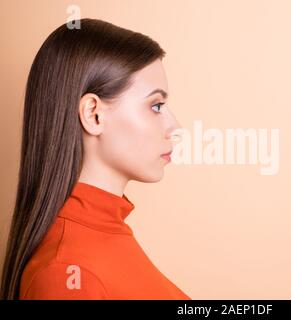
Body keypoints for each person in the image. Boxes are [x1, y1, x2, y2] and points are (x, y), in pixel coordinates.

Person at [0, 18, 190, 300]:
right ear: (93, 114)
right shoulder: (67, 273)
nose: (175, 127)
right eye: (156, 105)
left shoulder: (106, 233)